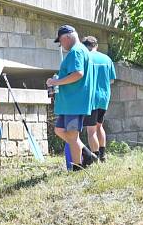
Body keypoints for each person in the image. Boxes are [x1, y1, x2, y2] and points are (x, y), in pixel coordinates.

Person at [46, 25, 96, 170]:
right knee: (60, 130)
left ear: (67, 37)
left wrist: (56, 82)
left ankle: (77, 167)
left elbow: (78, 73)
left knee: (72, 137)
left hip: (75, 102)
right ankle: (87, 154)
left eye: (60, 41)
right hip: (70, 103)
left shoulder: (76, 52)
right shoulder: (81, 50)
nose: (61, 45)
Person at [82, 36, 116, 162]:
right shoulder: (107, 59)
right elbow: (111, 80)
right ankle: (103, 155)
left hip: (91, 98)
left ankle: (95, 157)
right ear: (96, 45)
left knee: (91, 131)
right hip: (104, 97)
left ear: (84, 46)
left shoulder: (86, 58)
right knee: (99, 126)